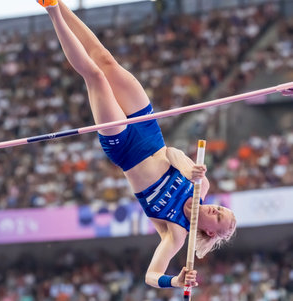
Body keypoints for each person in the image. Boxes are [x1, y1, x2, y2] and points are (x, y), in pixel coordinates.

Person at [36, 0, 237, 289]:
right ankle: (59, 2)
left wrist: (174, 280)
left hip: (125, 149)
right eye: (220, 209)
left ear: (209, 231)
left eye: (218, 217)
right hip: (148, 129)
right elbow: (172, 152)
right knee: (106, 60)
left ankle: (52, 10)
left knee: (95, 77)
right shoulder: (201, 186)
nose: (215, 209)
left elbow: (151, 275)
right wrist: (192, 171)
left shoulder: (176, 234)